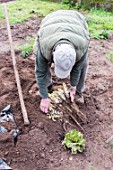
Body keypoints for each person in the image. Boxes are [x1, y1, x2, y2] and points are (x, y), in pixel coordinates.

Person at [34, 10, 90, 113]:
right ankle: (48, 86)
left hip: (77, 22)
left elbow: (77, 68)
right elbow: (40, 72)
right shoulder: (44, 47)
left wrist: (73, 87)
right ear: (53, 54)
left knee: (83, 65)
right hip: (50, 23)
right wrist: (44, 97)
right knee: (40, 61)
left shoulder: (81, 47)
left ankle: (78, 92)